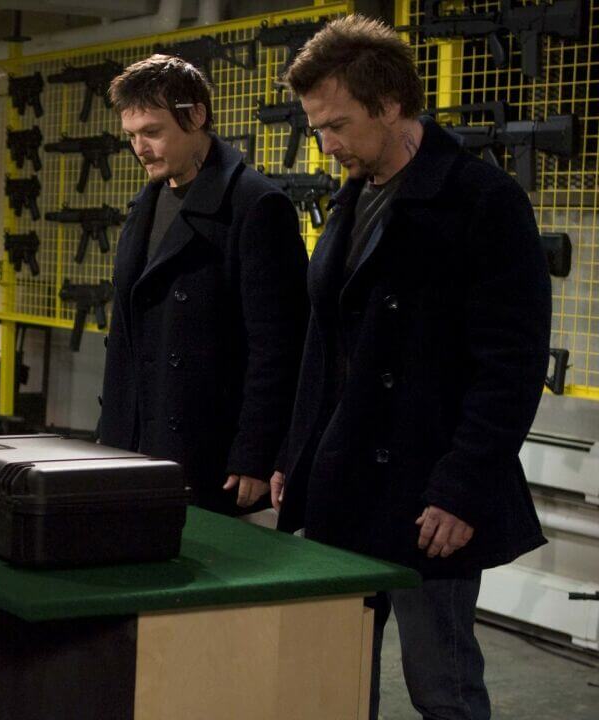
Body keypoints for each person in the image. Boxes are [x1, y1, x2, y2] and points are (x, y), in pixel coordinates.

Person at [269, 15, 550, 720]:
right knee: (334, 679)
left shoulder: (482, 201)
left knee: (442, 686)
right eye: (316, 129)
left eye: (337, 125)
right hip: (345, 480)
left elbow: (510, 366)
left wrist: (461, 489)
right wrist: (295, 454)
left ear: (391, 104)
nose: (326, 145)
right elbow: (323, 345)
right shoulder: (351, 196)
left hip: (430, 495)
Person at [97, 55, 309, 516]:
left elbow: (278, 346)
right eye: (131, 135)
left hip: (207, 445)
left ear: (195, 117)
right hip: (134, 438)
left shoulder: (255, 206)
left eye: (152, 132)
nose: (140, 148)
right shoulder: (145, 203)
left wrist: (256, 451)